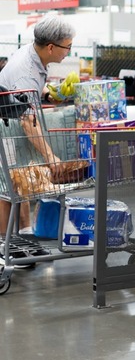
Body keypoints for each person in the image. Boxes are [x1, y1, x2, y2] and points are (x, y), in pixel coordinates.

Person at [0, 15, 74, 235]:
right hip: (6, 126)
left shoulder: (33, 54)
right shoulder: (27, 72)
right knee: (6, 188)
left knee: (19, 178)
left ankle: (24, 233)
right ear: (51, 47)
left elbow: (27, 92)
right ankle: (3, 248)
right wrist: (51, 156)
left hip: (9, 120)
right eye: (67, 47)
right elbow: (29, 123)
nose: (68, 51)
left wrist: (47, 93)